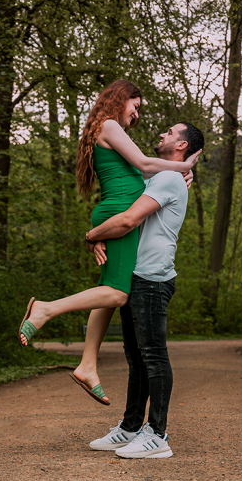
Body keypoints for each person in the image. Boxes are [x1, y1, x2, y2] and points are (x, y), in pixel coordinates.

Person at [16, 80, 200, 406]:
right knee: (117, 293)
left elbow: (142, 176)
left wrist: (181, 174)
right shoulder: (110, 126)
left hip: (114, 208)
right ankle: (46, 309)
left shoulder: (110, 130)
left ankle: (88, 365)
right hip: (118, 212)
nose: (137, 114)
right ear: (121, 98)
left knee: (109, 290)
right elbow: (145, 165)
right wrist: (184, 165)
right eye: (135, 106)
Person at [83, 121, 203, 459]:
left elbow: (128, 220)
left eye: (170, 133)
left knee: (153, 356)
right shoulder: (162, 176)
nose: (162, 135)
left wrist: (92, 235)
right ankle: (131, 426)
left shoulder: (167, 179)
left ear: (182, 145)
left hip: (152, 278)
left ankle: (158, 434)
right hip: (136, 276)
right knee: (136, 358)